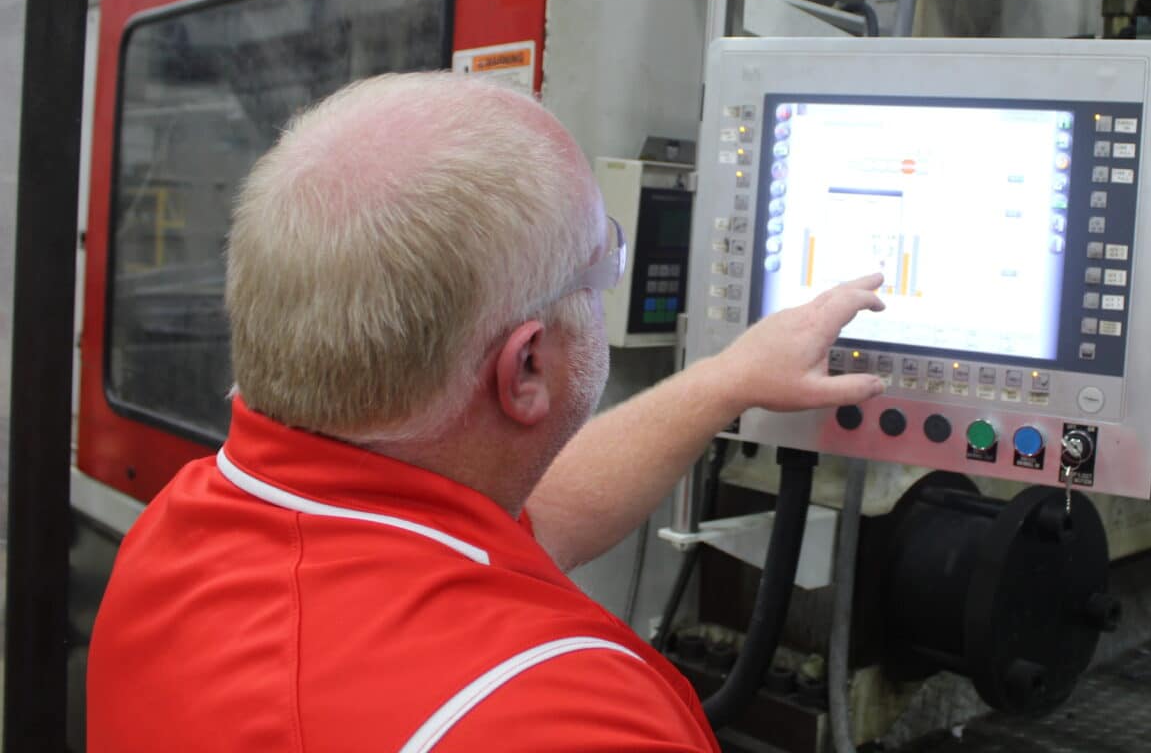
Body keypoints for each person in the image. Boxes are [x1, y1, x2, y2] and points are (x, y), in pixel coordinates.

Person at [86, 72, 884, 752]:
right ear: (527, 364)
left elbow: (524, 521)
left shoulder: (180, 536)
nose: (610, 273)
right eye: (603, 259)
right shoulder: (565, 713)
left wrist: (728, 379)